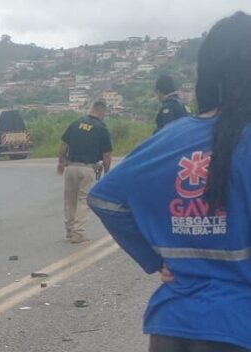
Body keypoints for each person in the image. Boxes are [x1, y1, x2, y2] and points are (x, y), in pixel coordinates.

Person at [89, 11, 251, 352]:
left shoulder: (166, 140)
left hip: (171, 326)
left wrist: (155, 259)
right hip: (238, 327)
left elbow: (105, 197)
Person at [57, 100, 112, 244]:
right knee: (83, 200)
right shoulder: (101, 128)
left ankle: (69, 231)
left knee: (69, 200)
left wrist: (61, 162)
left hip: (71, 168)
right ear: (102, 111)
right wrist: (107, 173)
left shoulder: (76, 123)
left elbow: (64, 145)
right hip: (87, 169)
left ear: (91, 109)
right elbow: (107, 155)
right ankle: (78, 233)